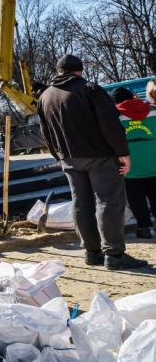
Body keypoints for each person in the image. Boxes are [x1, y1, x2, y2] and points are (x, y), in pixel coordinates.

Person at [37, 54, 146, 270]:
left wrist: (57, 156)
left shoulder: (45, 96)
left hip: (68, 159)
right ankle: (114, 254)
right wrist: (122, 152)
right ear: (80, 69)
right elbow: (110, 124)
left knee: (81, 203)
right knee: (108, 201)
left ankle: (91, 252)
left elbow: (45, 132)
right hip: (99, 156)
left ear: (59, 71)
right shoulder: (91, 89)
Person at [111, 87, 156, 239]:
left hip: (130, 167)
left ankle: (144, 229)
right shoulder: (152, 110)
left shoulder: (113, 116)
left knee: (137, 200)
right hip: (154, 162)